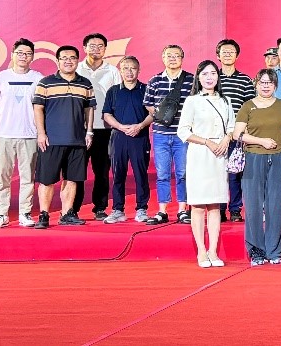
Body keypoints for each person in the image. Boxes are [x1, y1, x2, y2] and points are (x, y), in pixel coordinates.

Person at [175, 60, 236, 268]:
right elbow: (183, 131)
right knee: (199, 205)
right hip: (200, 154)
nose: (209, 77)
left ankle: (213, 251)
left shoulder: (225, 100)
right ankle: (201, 250)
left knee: (215, 205)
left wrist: (226, 140)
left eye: (213, 73)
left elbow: (231, 126)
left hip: (219, 155)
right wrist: (207, 142)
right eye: (205, 74)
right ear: (198, 78)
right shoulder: (192, 101)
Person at [30, 46, 96, 229]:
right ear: (58, 61)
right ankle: (44, 215)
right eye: (64, 58)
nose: (68, 61)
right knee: (46, 179)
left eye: (72, 58)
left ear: (77, 60)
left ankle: (67, 214)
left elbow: (89, 109)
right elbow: (38, 108)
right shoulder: (45, 83)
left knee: (72, 178)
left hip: (77, 140)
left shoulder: (85, 84)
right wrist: (41, 133)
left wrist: (89, 132)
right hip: (51, 140)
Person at [234, 69, 281, 265]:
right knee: (253, 205)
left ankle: (274, 250)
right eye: (262, 82)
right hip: (253, 158)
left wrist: (278, 141)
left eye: (269, 82)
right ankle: (256, 250)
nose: (266, 86)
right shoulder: (248, 106)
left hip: (278, 158)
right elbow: (237, 134)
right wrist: (261, 141)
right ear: (256, 84)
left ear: (275, 85)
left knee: (276, 205)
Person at [0, 38, 44, 229]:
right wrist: (7, 119)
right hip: (3, 135)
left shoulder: (38, 78)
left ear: (32, 57)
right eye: (20, 53)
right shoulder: (0, 77)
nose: (23, 56)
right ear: (12, 55)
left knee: (28, 177)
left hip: (29, 134)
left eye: (27, 53)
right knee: (2, 176)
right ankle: (1, 214)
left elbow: (41, 106)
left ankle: (24, 214)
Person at [143, 45, 194, 225]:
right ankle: (162, 211)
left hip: (183, 135)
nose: (172, 58)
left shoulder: (191, 80)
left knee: (183, 173)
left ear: (182, 58)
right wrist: (161, 116)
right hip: (160, 134)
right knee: (162, 173)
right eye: (169, 55)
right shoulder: (155, 80)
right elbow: (148, 103)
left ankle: (182, 210)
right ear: (163, 58)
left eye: (176, 55)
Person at [74, 33, 121, 220]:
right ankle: (72, 209)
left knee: (102, 171)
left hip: (104, 128)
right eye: (92, 46)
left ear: (105, 49)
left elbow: (118, 98)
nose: (96, 49)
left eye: (100, 46)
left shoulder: (112, 71)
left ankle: (100, 208)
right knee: (76, 170)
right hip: (78, 128)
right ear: (84, 48)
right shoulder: (76, 68)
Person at [102, 56, 152, 224]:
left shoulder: (146, 90)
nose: (129, 72)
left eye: (133, 68)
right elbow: (106, 114)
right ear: (120, 71)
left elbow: (153, 114)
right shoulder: (113, 91)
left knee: (140, 174)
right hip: (119, 137)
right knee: (118, 174)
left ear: (139, 70)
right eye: (125, 68)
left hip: (140, 138)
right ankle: (118, 210)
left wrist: (140, 126)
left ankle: (142, 209)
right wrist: (120, 127)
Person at [216, 39, 255, 223]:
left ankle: (235, 209)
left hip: (237, 134)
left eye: (231, 52)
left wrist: (240, 132)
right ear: (218, 56)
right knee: (218, 174)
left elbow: (250, 108)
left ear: (237, 55)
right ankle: (219, 209)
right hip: (215, 135)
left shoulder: (245, 80)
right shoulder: (212, 77)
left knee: (235, 174)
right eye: (224, 51)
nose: (227, 54)